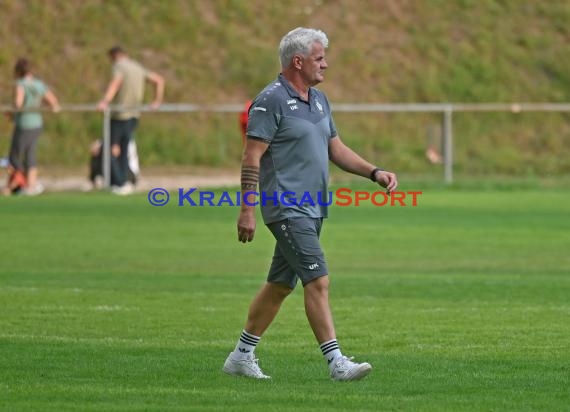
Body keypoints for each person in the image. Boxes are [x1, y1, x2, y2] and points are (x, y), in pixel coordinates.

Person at [222, 27, 398, 381]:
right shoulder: (269, 100)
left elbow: (336, 148)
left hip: (314, 208)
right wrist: (247, 211)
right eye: (320, 58)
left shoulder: (319, 100)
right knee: (318, 280)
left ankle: (241, 356)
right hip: (286, 207)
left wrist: (373, 172)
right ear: (297, 61)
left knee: (280, 285)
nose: (326, 64)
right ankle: (336, 363)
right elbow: (251, 158)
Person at [97, 46, 164, 195]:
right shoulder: (137, 67)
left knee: (110, 148)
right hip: (134, 115)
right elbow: (159, 80)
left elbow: (116, 82)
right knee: (124, 148)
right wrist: (156, 101)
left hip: (120, 115)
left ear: (114, 56)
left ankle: (119, 182)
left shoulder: (119, 66)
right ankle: (126, 181)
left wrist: (105, 101)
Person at [2, 58, 60, 196]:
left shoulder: (21, 84)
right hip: (36, 124)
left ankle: (15, 185)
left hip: (24, 124)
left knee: (14, 156)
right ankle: (31, 186)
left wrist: (11, 113)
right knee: (30, 155)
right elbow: (53, 102)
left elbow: (18, 103)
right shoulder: (39, 84)